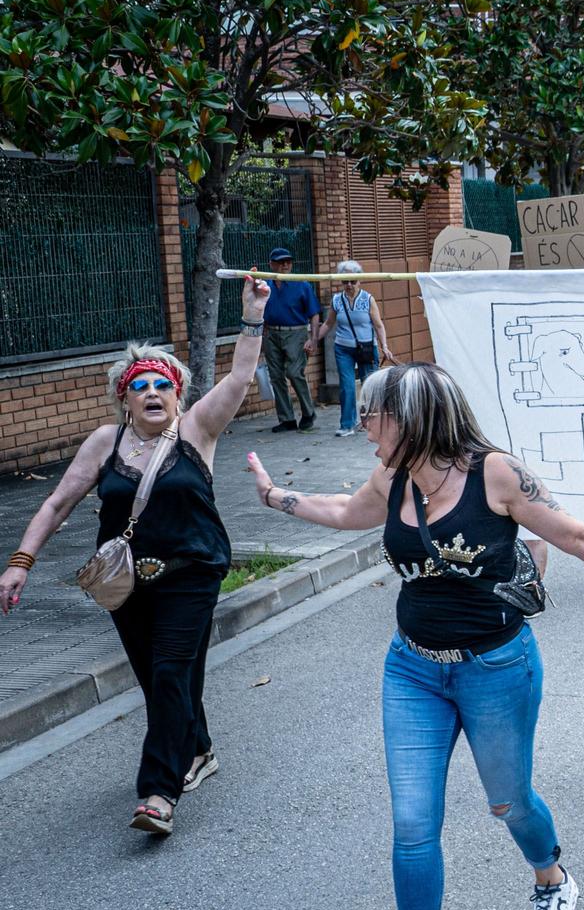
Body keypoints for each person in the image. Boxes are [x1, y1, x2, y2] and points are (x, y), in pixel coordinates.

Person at [245, 361, 584, 910]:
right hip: (412, 670)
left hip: (496, 667)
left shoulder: (495, 474)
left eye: (375, 416)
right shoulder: (392, 478)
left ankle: (552, 880)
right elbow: (345, 512)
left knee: (509, 801)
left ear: (412, 419)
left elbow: (572, 534)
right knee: (413, 824)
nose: (363, 430)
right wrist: (275, 500)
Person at [1, 279, 271, 835]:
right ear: (123, 398)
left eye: (163, 384)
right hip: (126, 583)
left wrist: (251, 317)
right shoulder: (104, 442)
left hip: (192, 574)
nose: (152, 391)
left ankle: (158, 793)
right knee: (159, 678)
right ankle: (197, 749)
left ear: (178, 394)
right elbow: (56, 503)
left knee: (171, 669)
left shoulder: (198, 429)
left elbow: (241, 377)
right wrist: (20, 561)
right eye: (139, 385)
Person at [318, 260, 396, 437]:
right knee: (347, 386)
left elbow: (378, 325)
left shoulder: (368, 299)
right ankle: (347, 424)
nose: (349, 285)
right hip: (343, 348)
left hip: (367, 348)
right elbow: (329, 323)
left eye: (353, 281)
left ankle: (374, 423)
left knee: (370, 385)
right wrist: (314, 340)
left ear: (359, 280)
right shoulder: (337, 300)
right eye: (345, 281)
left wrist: (384, 346)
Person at [261, 246, 322, 431]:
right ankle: (286, 418)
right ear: (271, 264)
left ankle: (308, 412)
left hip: (295, 332)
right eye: (281, 262)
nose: (285, 265)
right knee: (276, 376)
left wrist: (313, 339)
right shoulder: (266, 285)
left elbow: (315, 314)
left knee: (295, 373)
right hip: (271, 333)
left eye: (288, 261)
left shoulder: (301, 284)